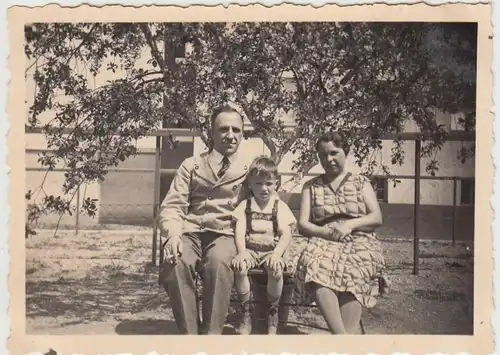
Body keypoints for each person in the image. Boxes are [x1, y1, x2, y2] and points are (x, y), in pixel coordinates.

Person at [158, 105, 252, 335]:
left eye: (236, 130)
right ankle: (190, 338)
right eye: (223, 129)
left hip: (225, 233)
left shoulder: (250, 168)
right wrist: (172, 235)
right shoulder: (191, 165)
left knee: (219, 264)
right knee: (176, 263)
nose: (231, 135)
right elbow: (172, 205)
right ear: (211, 132)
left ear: (242, 133)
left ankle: (211, 339)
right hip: (190, 231)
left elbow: (267, 204)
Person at [293, 131, 389, 334]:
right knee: (315, 264)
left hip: (359, 237)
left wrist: (350, 225)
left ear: (346, 152)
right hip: (323, 237)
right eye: (323, 155)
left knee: (354, 268)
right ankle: (343, 339)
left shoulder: (360, 182)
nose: (329, 159)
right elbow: (302, 224)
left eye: (334, 153)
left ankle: (342, 340)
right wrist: (326, 233)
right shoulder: (311, 186)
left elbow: (376, 217)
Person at [230, 156, 297, 335]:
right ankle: (246, 313)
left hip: (271, 252)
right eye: (259, 184)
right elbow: (239, 230)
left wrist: (277, 255)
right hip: (251, 250)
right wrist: (242, 252)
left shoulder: (279, 206)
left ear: (276, 183)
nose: (264, 189)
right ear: (250, 184)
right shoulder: (246, 206)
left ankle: (272, 313)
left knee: (275, 271)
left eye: (269, 183)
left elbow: (286, 234)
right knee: (240, 268)